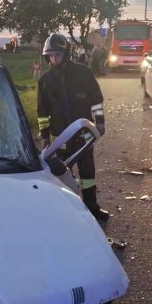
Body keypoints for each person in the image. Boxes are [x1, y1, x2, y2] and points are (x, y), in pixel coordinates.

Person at [37, 33, 109, 221]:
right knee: (60, 176)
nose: (54, 59)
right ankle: (64, 212)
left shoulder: (83, 73)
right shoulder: (45, 80)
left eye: (57, 55)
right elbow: (42, 112)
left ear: (66, 54)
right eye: (50, 56)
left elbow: (96, 101)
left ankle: (92, 209)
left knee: (88, 173)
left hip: (84, 136)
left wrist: (100, 122)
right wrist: (44, 136)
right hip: (60, 138)